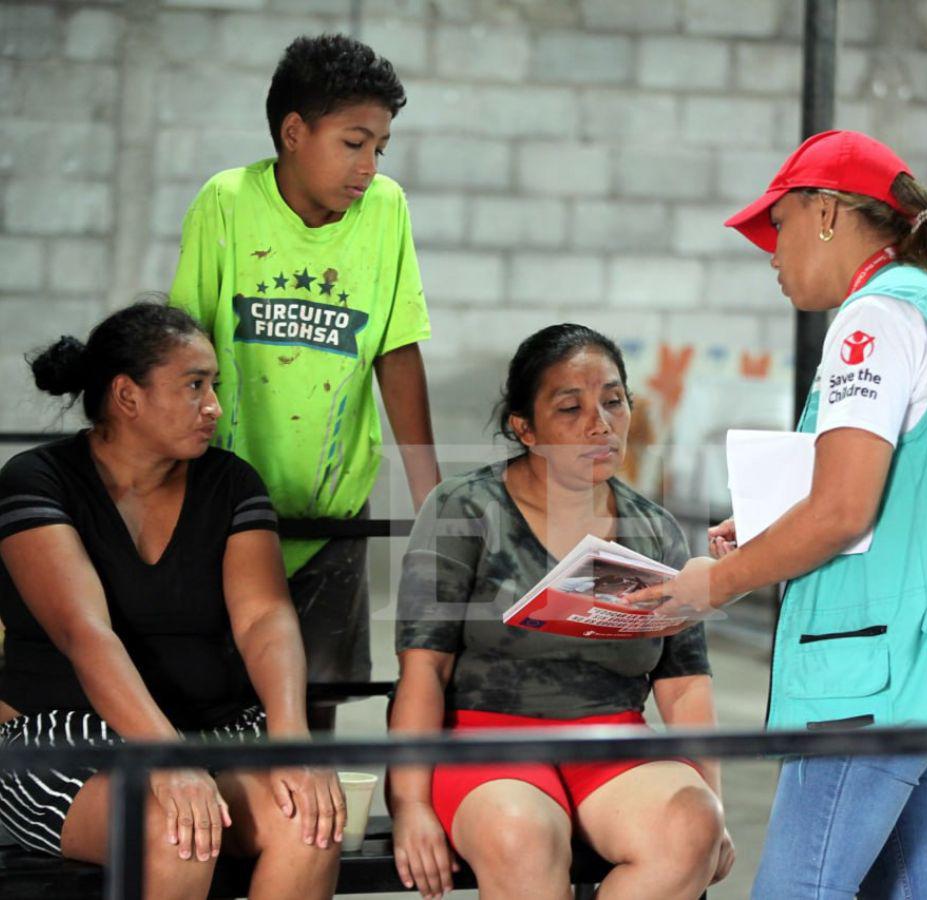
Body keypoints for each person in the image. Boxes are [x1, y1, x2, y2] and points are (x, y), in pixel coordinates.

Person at [624, 131, 927, 899]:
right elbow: (900, 497)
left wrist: (715, 584)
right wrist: (773, 525)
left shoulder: (873, 321)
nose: (772, 253)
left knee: (800, 887)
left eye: (780, 224)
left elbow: (840, 510)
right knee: (901, 884)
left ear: (827, 212)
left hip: (874, 672)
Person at [0, 303, 345, 900]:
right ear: (127, 396)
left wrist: (291, 742)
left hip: (215, 730)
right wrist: (165, 758)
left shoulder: (231, 482)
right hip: (65, 738)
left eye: (214, 385)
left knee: (310, 824)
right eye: (193, 385)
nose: (213, 406)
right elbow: (86, 634)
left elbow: (264, 618)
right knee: (175, 833)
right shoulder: (38, 479)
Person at [389, 325, 735, 900]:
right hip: (486, 740)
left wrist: (714, 800)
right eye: (571, 409)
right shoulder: (464, 509)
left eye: (614, 402)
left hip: (611, 738)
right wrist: (410, 804)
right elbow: (425, 668)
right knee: (521, 836)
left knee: (691, 825)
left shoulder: (654, 529)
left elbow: (685, 683)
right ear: (524, 428)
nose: (600, 425)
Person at [169, 34, 440, 725]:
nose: (368, 166)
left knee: (312, 710)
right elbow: (184, 351)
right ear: (294, 132)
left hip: (333, 514)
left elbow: (396, 349)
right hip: (225, 508)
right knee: (217, 700)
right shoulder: (226, 202)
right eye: (354, 143)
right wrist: (168, 482)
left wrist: (431, 495)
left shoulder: (385, 209)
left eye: (380, 148)